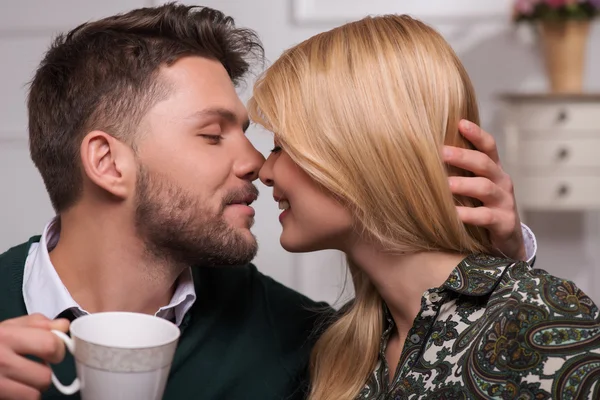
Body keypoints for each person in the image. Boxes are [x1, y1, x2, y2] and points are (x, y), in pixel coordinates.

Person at [0, 4, 531, 400]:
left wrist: (502, 260)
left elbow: (450, 352)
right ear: (108, 163)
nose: (257, 162)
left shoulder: (306, 339)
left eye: (250, 133)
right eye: (213, 135)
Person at [250, 14, 600, 400]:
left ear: (357, 151)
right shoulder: (345, 351)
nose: (265, 172)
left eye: (282, 146)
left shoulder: (539, 317)